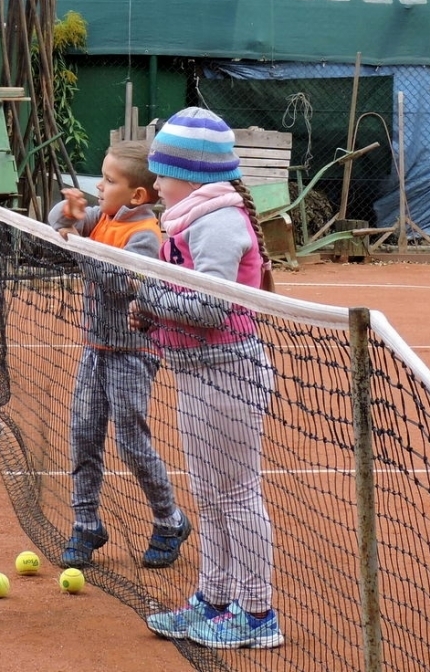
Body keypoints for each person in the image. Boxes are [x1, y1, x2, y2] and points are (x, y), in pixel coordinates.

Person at [131, 107, 283, 651]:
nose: (155, 182)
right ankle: (214, 599)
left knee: (237, 494)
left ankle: (257, 612)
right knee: (211, 496)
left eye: (162, 172)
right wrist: (152, 314)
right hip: (197, 374)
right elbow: (184, 301)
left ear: (190, 175)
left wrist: (144, 294)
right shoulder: (190, 218)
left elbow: (211, 307)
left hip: (230, 375)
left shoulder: (218, 222)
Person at [48, 140, 191, 570]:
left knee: (131, 442)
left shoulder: (144, 234)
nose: (98, 186)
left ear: (138, 196)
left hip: (132, 352)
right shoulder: (104, 216)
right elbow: (58, 221)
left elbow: (120, 279)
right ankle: (86, 522)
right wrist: (69, 213)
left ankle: (169, 520)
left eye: (109, 181)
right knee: (83, 433)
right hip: (95, 348)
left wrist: (80, 248)